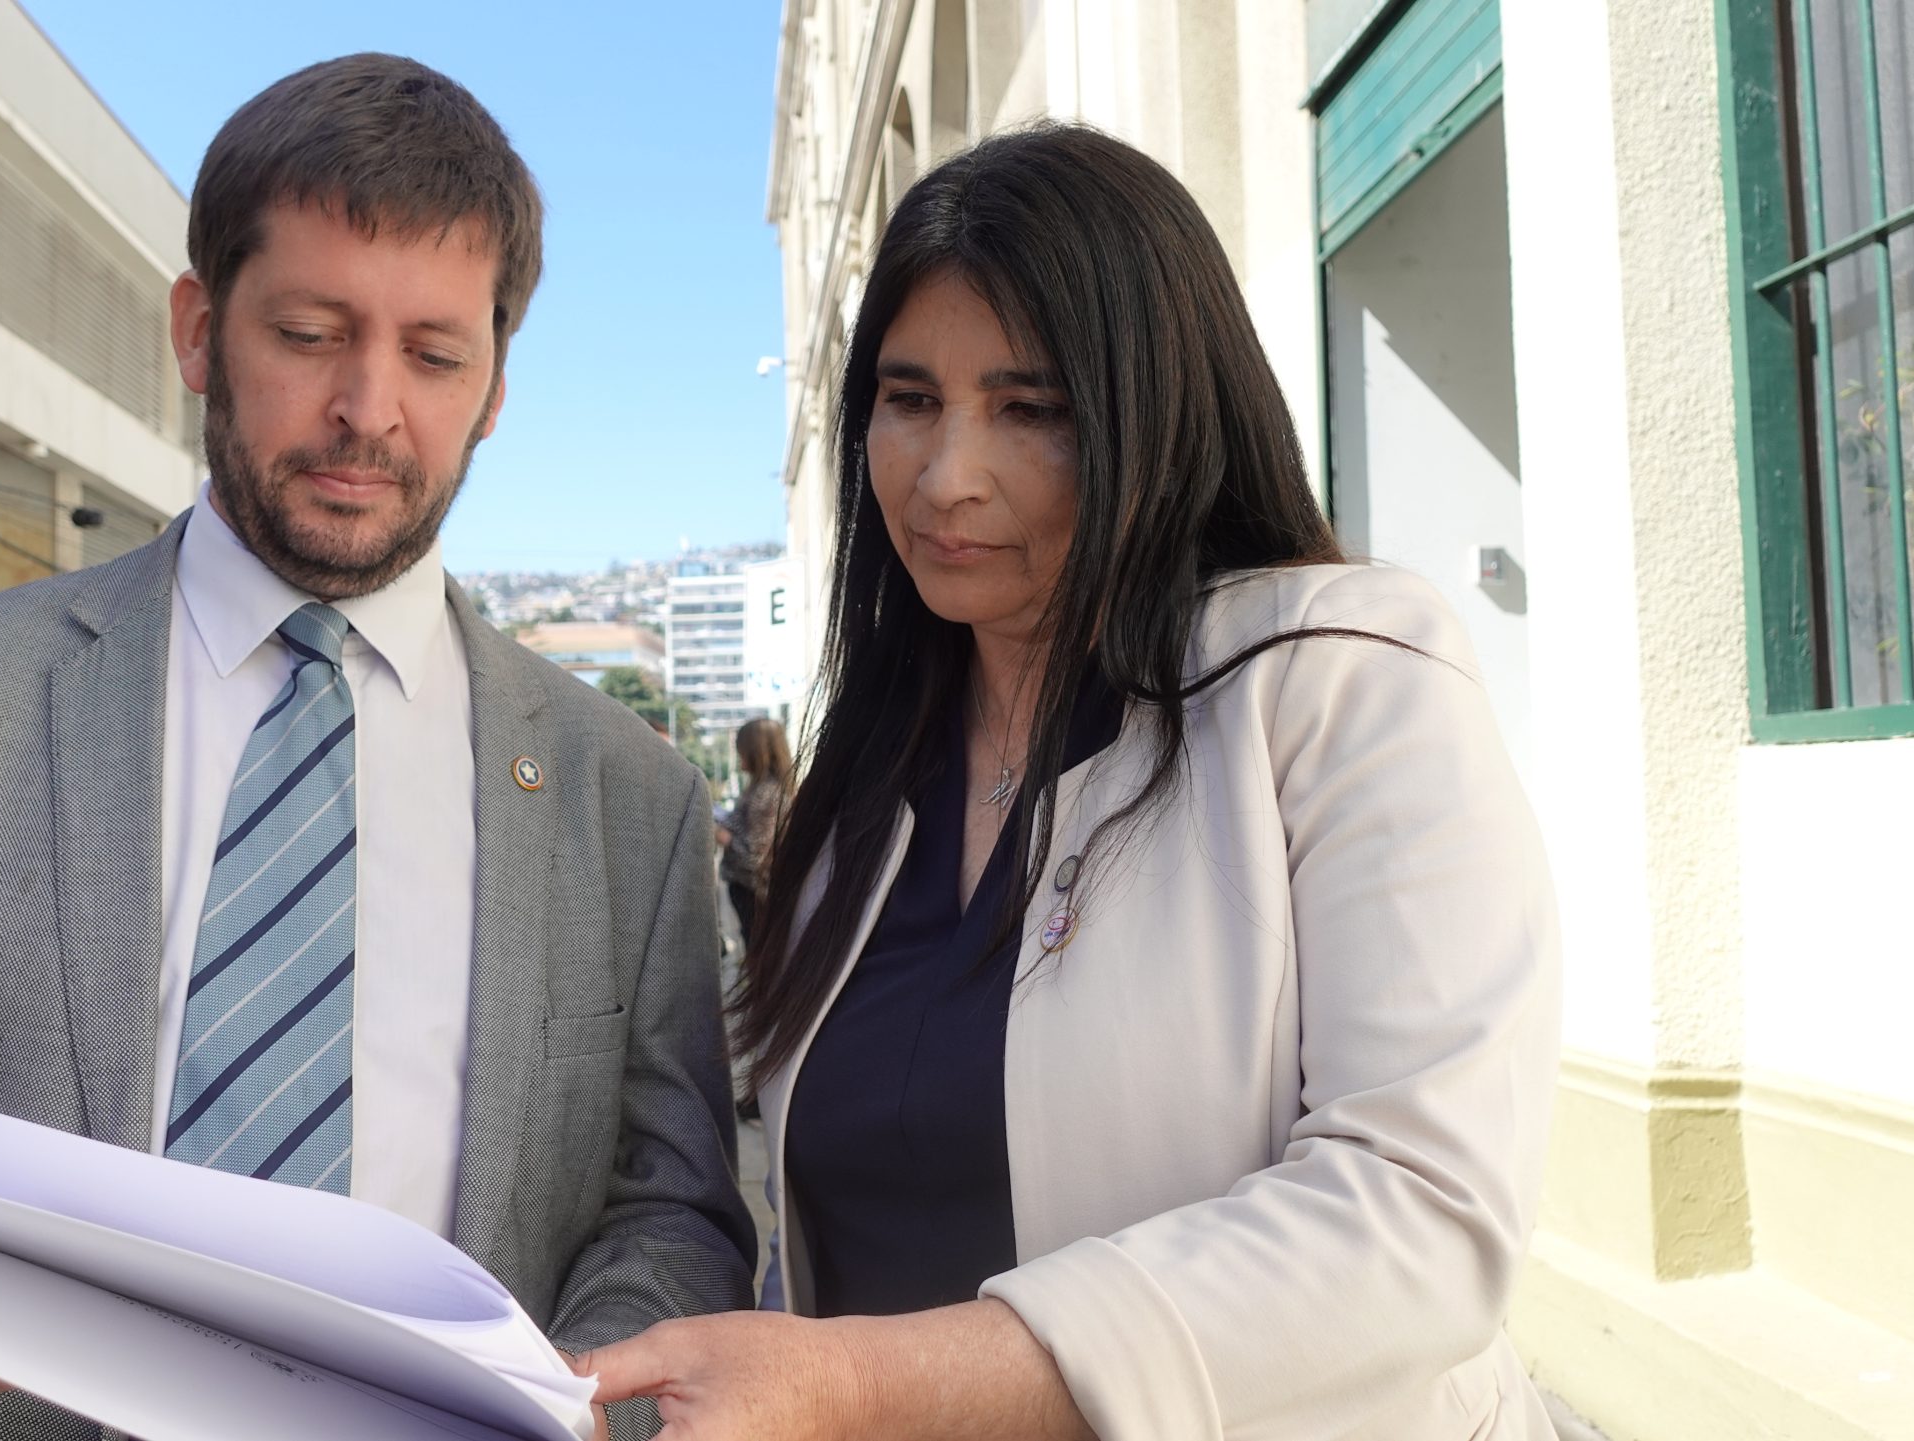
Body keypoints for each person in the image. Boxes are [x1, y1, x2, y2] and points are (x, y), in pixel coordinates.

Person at [0, 54, 754, 1441]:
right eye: (310, 333)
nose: (370, 407)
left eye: (435, 355)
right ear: (200, 333)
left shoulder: (627, 799)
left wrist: (578, 1402)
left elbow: (670, 1212)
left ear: (495, 382)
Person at [579, 123, 1560, 1440]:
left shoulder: (1340, 676)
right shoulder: (858, 803)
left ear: (1156, 411)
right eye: (909, 399)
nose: (947, 477)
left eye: (1030, 409)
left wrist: (865, 1383)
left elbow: (1421, 1219)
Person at [715, 716, 791, 946]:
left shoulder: (767, 794)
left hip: (754, 894)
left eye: (741, 751)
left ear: (756, 752)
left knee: (759, 953)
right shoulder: (764, 789)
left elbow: (756, 857)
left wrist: (723, 837)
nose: (739, 757)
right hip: (752, 894)